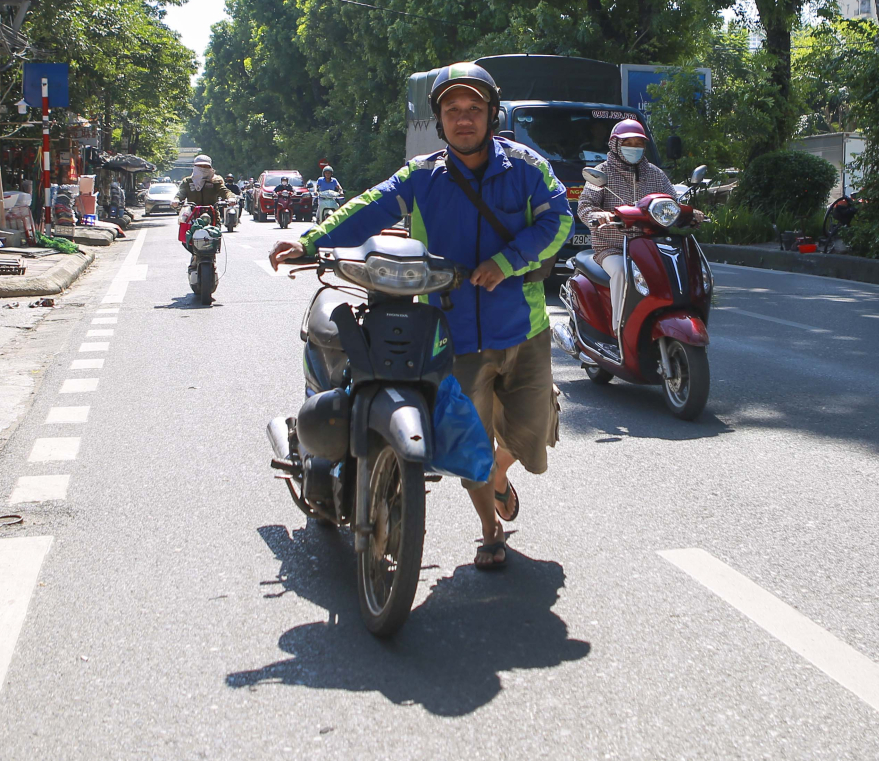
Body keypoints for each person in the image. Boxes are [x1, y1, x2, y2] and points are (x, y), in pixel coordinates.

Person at [269, 62, 572, 572]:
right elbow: (371, 206)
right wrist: (310, 240)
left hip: (524, 327)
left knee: (533, 437)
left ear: (491, 113)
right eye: (452, 110)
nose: (464, 118)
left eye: (474, 108)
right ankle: (489, 530)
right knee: (467, 441)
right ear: (440, 120)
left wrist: (506, 262)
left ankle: (501, 474)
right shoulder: (424, 175)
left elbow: (559, 217)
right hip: (452, 334)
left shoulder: (526, 166)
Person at [575, 119, 702, 354]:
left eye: (638, 143)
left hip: (652, 247)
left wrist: (690, 213)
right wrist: (599, 215)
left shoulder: (655, 174)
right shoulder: (602, 172)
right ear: (615, 145)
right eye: (628, 143)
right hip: (613, 247)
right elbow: (585, 206)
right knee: (623, 273)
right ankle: (618, 334)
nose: (634, 147)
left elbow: (672, 203)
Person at [177, 155, 231, 245]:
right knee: (187, 239)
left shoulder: (215, 181)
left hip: (212, 216)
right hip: (193, 216)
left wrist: (230, 197)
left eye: (206, 167)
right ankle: (194, 255)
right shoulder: (187, 181)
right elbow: (181, 193)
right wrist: (176, 200)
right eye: (200, 166)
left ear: (210, 168)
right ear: (195, 167)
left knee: (215, 239)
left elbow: (224, 191)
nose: (203, 169)